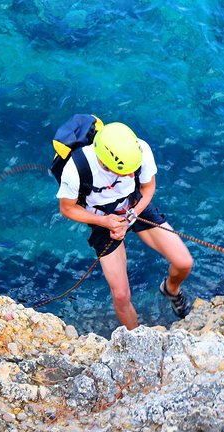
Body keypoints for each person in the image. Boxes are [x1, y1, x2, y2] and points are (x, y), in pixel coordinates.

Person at [56, 121, 193, 329]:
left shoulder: (141, 150)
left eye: (133, 170)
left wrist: (131, 216)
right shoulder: (76, 169)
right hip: (102, 219)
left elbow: (148, 188)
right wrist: (105, 221)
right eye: (124, 172)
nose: (131, 175)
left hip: (134, 205)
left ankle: (170, 289)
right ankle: (137, 342)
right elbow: (67, 209)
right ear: (103, 162)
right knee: (121, 295)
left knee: (184, 263)